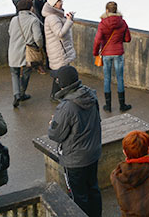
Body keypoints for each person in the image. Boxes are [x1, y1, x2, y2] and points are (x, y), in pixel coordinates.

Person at [48, 66, 102, 217]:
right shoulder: (91, 94)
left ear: (62, 84)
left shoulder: (66, 107)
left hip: (75, 159)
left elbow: (55, 135)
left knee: (79, 197)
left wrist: (53, 124)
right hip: (93, 153)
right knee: (93, 189)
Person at [93, 1, 132, 112]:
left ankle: (108, 106)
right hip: (118, 53)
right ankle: (122, 105)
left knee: (107, 79)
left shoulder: (103, 23)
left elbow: (97, 40)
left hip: (106, 54)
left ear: (106, 10)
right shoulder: (122, 22)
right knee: (120, 78)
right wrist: (119, 40)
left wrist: (96, 52)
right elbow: (128, 38)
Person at [8, 0, 43, 107]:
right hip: (28, 51)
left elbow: (10, 32)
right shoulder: (34, 20)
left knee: (14, 73)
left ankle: (16, 94)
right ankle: (22, 93)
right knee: (27, 72)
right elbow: (37, 37)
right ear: (31, 8)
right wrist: (40, 46)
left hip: (13, 50)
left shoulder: (14, 19)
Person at [43, 0, 76, 101]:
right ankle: (56, 96)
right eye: (59, 2)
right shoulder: (52, 18)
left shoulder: (55, 15)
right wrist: (69, 21)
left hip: (59, 49)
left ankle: (55, 95)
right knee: (59, 73)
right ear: (54, 4)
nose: (61, 3)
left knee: (59, 72)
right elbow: (60, 33)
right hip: (58, 50)